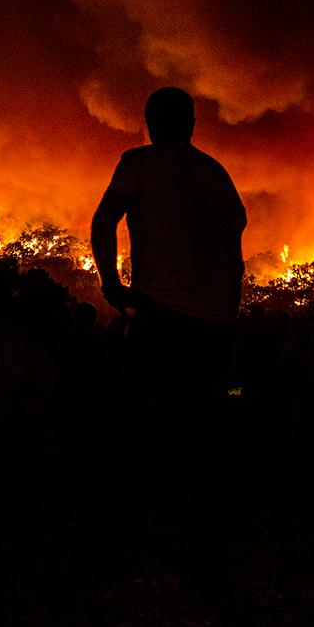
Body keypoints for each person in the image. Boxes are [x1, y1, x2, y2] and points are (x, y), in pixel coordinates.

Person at [90, 86, 246, 579]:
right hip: (217, 325)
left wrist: (113, 285)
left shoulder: (138, 162)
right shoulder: (217, 174)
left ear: (149, 123)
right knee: (209, 429)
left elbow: (104, 219)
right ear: (193, 124)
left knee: (137, 425)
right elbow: (234, 232)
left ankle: (118, 546)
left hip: (163, 317)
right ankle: (211, 550)